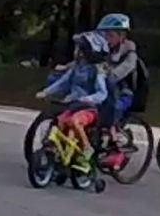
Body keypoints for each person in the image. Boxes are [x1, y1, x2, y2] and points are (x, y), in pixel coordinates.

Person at [37, 31, 112, 167]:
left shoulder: (97, 70)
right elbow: (63, 82)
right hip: (72, 104)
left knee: (74, 122)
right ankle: (58, 153)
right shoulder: (77, 67)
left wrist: (87, 99)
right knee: (59, 121)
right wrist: (46, 92)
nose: (76, 52)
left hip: (88, 108)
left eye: (79, 49)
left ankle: (87, 149)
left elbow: (102, 93)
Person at [97, 13, 141, 130]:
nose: (106, 39)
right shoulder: (105, 50)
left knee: (113, 109)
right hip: (104, 90)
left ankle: (114, 135)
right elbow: (89, 61)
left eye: (110, 36)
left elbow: (126, 67)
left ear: (121, 36)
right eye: (104, 35)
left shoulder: (129, 53)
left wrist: (109, 76)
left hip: (124, 93)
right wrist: (68, 67)